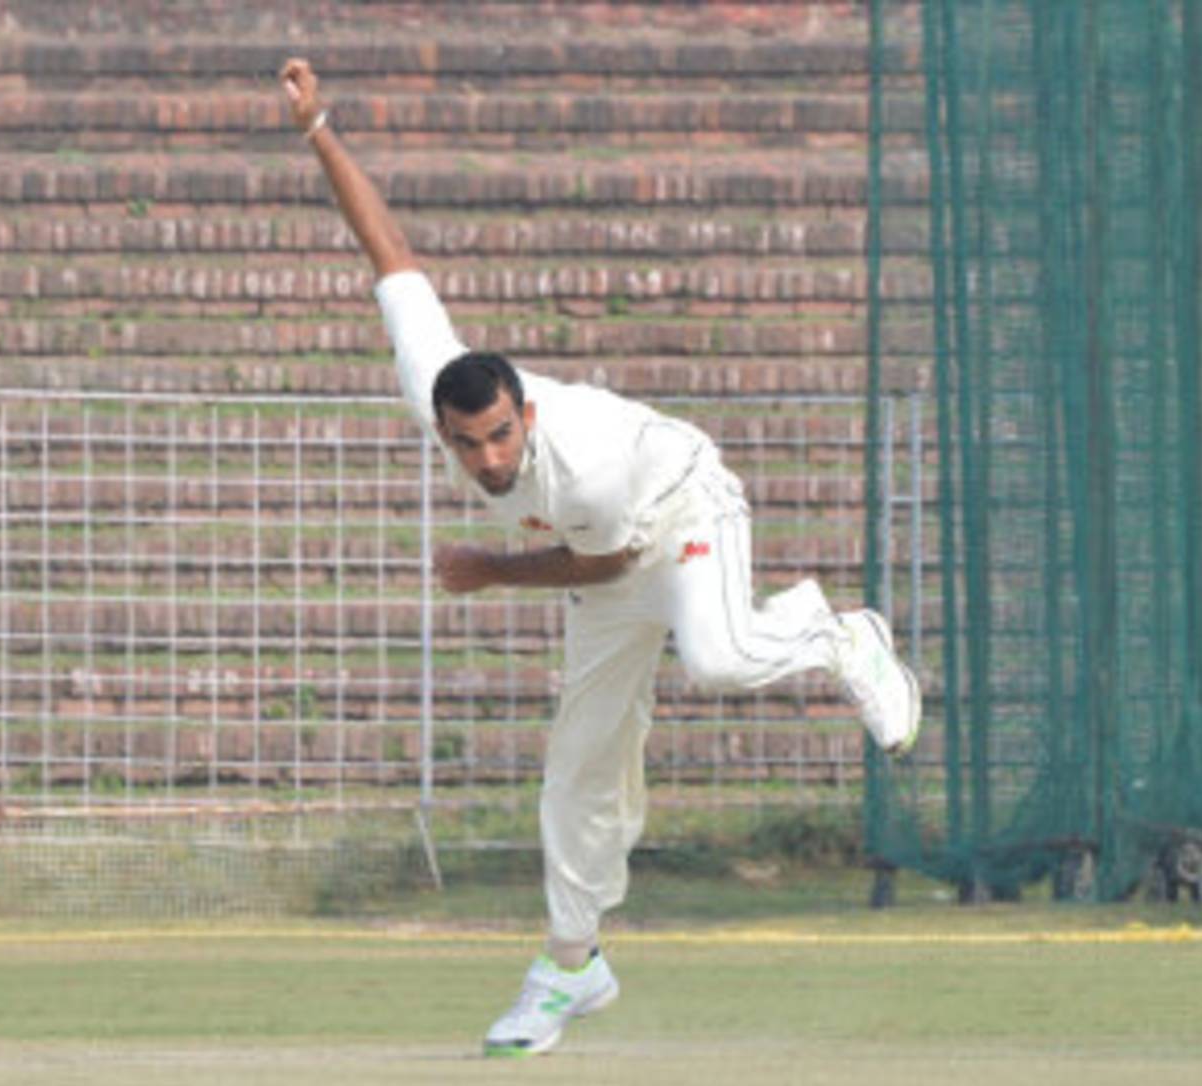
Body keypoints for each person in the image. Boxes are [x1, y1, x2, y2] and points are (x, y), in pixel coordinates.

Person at [280, 58, 920, 1058]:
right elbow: (390, 256)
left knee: (714, 656)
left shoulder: (575, 467)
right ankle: (569, 968)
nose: (484, 459)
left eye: (497, 436)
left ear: (523, 413)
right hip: (588, 561)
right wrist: (318, 127)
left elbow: (608, 567)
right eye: (465, 443)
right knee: (578, 771)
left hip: (666, 518)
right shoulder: (439, 392)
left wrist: (489, 570)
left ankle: (835, 636)